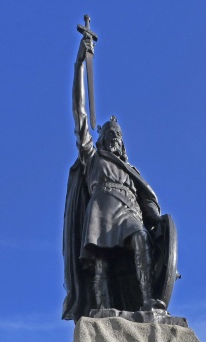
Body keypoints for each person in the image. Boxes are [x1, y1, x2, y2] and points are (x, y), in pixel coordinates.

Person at [63, 34, 166, 318]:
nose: (114, 140)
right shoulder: (93, 159)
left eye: (117, 137)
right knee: (100, 262)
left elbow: (148, 205)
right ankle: (104, 309)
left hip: (128, 211)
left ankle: (147, 301)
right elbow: (79, 113)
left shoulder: (132, 173)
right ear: (101, 140)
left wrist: (159, 222)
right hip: (100, 209)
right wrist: (79, 65)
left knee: (141, 237)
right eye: (109, 135)